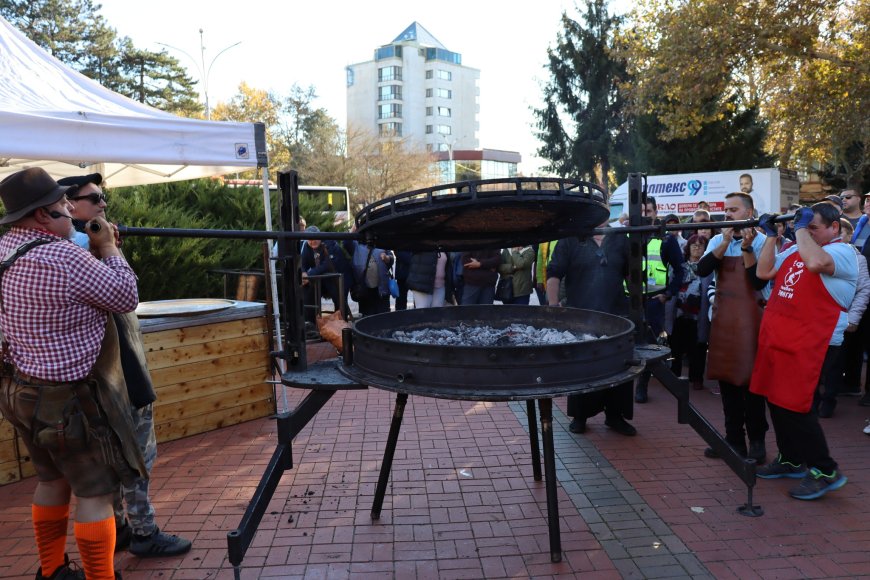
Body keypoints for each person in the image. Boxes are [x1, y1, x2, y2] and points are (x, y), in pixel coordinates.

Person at [0, 168, 144, 579]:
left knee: (51, 482)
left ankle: (51, 571)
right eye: (64, 206)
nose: (72, 212)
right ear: (43, 216)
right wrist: (108, 248)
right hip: (69, 403)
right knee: (95, 493)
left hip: (22, 393)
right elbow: (125, 296)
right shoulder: (64, 256)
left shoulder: (6, 249)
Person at [59, 173, 193, 558]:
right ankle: (144, 531)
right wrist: (105, 246)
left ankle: (117, 528)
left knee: (118, 458)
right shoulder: (81, 248)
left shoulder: (86, 246)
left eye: (103, 198)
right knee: (136, 458)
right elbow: (125, 297)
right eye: (94, 198)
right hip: (118, 374)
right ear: (71, 205)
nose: (103, 204)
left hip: (117, 370)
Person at [751, 205, 857, 500]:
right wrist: (772, 237)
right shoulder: (798, 249)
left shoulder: (843, 253)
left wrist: (799, 229)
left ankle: (825, 470)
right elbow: (763, 272)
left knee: (797, 406)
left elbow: (815, 263)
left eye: (814, 227)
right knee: (776, 400)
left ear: (835, 228)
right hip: (782, 338)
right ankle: (791, 459)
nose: (808, 233)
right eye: (806, 227)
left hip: (814, 342)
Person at [697, 192, 769, 463]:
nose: (728, 214)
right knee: (727, 382)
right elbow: (703, 271)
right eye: (726, 210)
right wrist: (724, 242)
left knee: (752, 385)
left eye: (734, 210)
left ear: (750, 212)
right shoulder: (718, 240)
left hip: (754, 319)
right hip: (725, 321)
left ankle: (758, 442)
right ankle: (733, 440)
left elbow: (758, 282)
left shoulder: (763, 242)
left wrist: (746, 247)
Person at [546, 221, 637, 436]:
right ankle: (580, 416)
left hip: (617, 316)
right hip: (581, 317)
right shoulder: (571, 238)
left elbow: (630, 274)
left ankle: (615, 416)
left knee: (619, 365)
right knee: (583, 367)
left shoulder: (619, 238)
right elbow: (554, 273)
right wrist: (553, 308)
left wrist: (636, 305)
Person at [635, 199, 685, 403]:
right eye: (642, 211)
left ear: (656, 212)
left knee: (649, 344)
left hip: (654, 301)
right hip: (629, 300)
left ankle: (642, 386)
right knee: (627, 343)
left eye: (649, 211)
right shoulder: (628, 234)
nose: (646, 214)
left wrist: (668, 294)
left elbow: (681, 270)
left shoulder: (667, 239)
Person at [669, 235, 711, 390]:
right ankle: (674, 376)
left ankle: (696, 378)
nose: (697, 247)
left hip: (698, 314)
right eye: (694, 244)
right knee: (676, 345)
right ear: (688, 247)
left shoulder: (708, 267)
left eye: (701, 245)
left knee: (699, 346)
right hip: (679, 312)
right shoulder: (679, 266)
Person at [351, 244, 394, 316]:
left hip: (382, 289)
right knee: (367, 316)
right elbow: (346, 242)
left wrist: (387, 258)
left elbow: (391, 257)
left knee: (384, 316)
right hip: (364, 290)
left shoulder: (381, 241)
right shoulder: (356, 243)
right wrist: (354, 232)